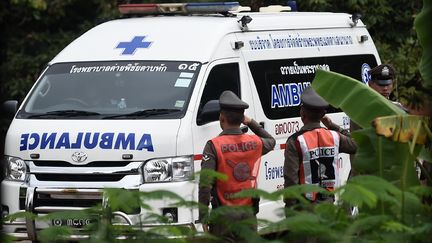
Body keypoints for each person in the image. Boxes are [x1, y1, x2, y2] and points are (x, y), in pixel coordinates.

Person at [198, 90, 275, 242]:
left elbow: (205, 184)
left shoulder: (213, 145)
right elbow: (271, 140)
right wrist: (251, 122)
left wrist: (203, 216)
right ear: (241, 120)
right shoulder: (255, 143)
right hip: (248, 216)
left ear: (221, 118)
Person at [284, 87, 357, 207]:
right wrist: (332, 125)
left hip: (304, 208)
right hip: (328, 205)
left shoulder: (295, 141)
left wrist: (290, 207)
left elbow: (291, 180)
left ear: (302, 113)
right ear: (323, 114)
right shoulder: (335, 137)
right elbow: (356, 144)